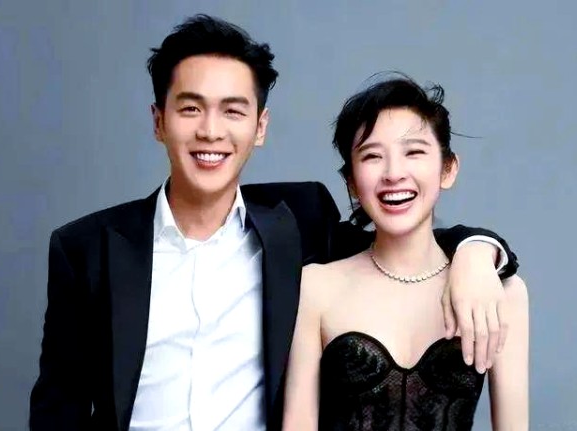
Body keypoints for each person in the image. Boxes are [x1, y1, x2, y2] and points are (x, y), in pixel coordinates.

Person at [29, 15, 520, 431]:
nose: (211, 131)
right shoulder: (87, 249)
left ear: (259, 127)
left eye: (233, 111)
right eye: (191, 108)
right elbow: (58, 409)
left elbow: (403, 234)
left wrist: (477, 252)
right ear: (159, 121)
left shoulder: (301, 220)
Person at [282, 76, 529, 430]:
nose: (394, 174)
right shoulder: (316, 286)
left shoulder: (502, 291)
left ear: (448, 168)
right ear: (352, 182)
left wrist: (478, 253)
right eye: (372, 156)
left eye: (414, 152)